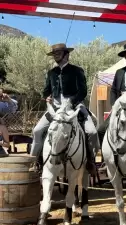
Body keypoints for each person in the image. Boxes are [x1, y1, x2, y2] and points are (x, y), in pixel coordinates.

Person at [30, 43, 99, 174]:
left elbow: (83, 91)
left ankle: (90, 161)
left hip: (75, 106)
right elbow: (46, 90)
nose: (56, 55)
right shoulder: (51, 72)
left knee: (92, 132)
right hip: (55, 108)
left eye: (59, 53)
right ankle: (35, 162)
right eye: (54, 53)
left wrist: (70, 102)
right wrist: (47, 97)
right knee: (37, 130)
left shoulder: (77, 70)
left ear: (66, 55)